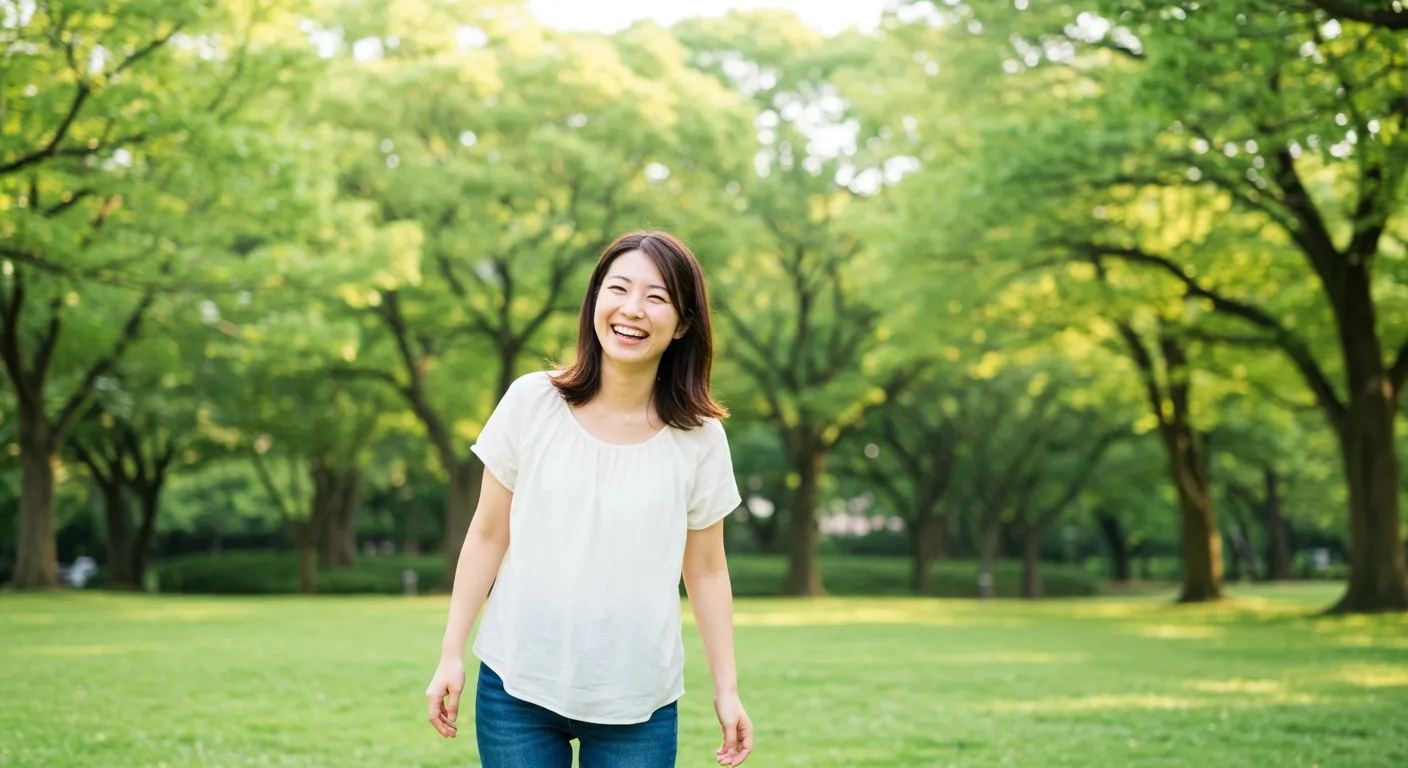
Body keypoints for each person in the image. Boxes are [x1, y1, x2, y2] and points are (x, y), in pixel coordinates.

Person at [425, 230, 754, 767]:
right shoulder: (532, 402)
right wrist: (450, 654)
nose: (632, 310)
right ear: (595, 300)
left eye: (657, 297)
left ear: (684, 323)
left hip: (638, 703)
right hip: (517, 688)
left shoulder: (699, 439)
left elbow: (708, 571)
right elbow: (488, 533)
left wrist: (728, 689)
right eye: (618, 288)